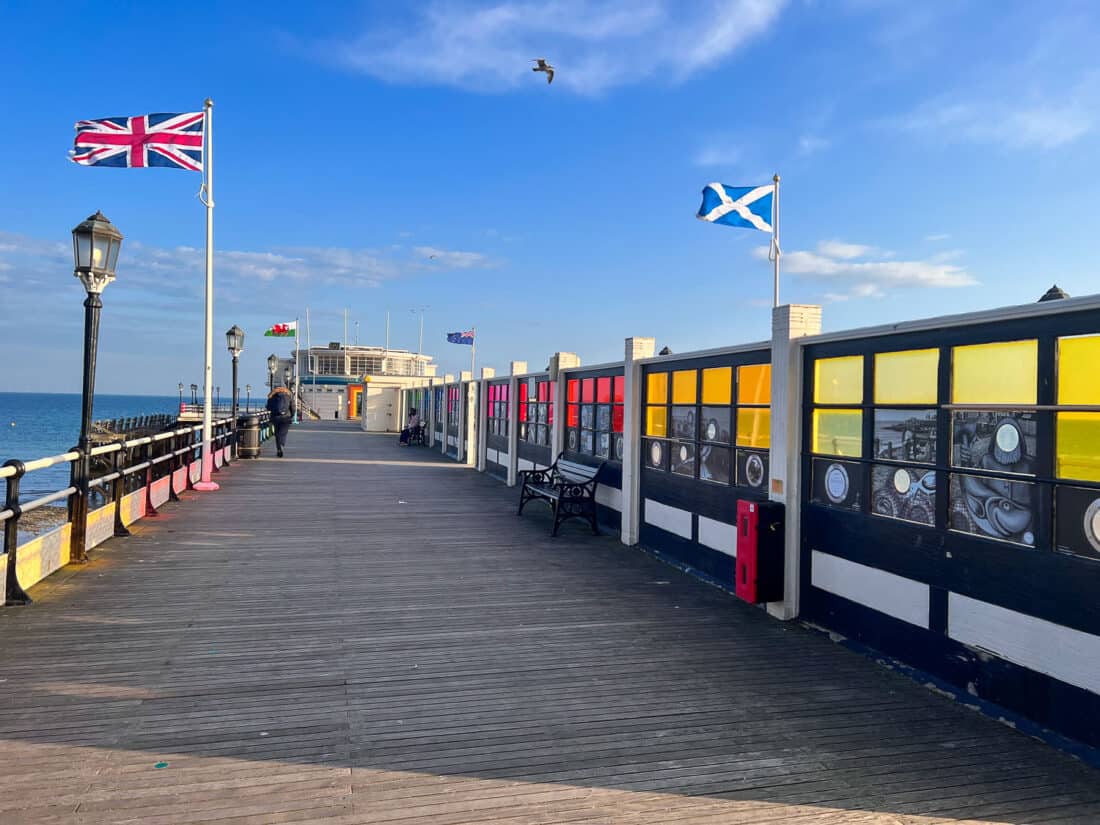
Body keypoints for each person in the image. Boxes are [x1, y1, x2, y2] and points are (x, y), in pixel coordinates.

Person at [266, 386, 295, 458]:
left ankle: (279, 448)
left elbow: (268, 407)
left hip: (276, 417)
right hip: (286, 418)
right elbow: (293, 407)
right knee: (283, 433)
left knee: (277, 433)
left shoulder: (272, 397)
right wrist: (292, 415)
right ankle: (281, 446)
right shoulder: (289, 396)